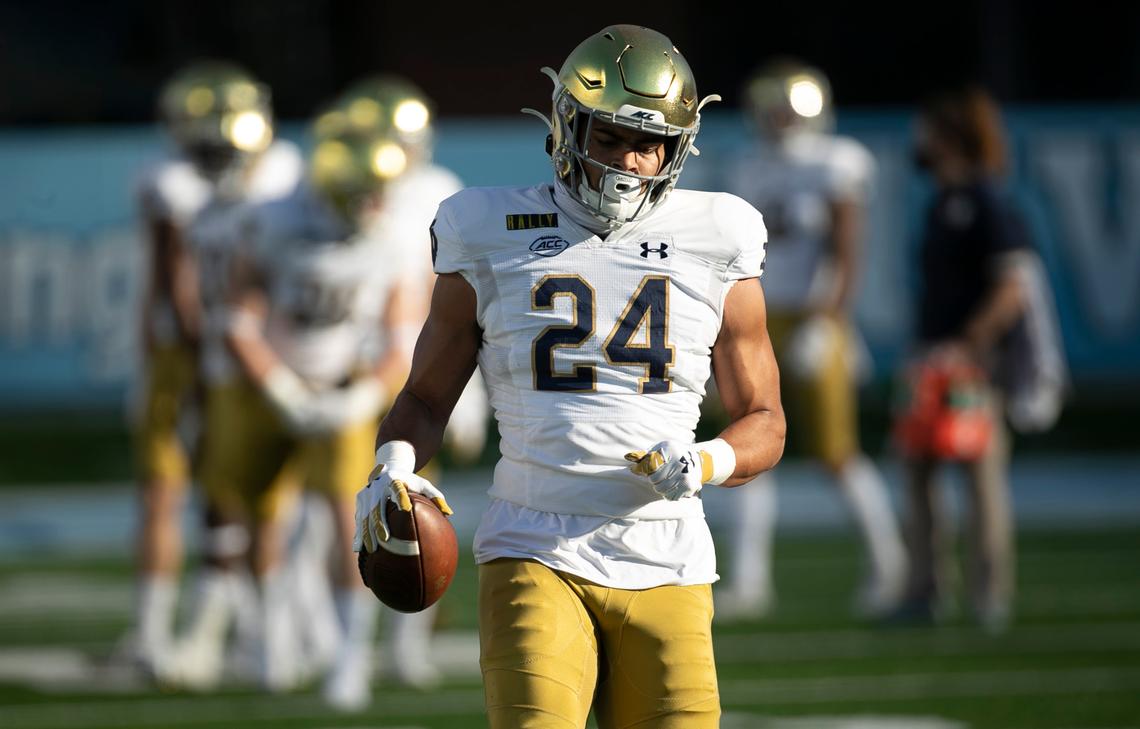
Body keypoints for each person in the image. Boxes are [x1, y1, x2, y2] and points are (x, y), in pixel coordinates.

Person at [354, 24, 785, 728]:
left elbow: (766, 419)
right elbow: (426, 395)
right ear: (565, 126)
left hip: (668, 551)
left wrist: (703, 461)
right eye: (609, 137)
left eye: (647, 143)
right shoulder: (487, 226)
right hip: (534, 543)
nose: (628, 161)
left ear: (677, 148)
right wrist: (393, 462)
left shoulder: (720, 235)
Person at [220, 122, 429, 700]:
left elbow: (401, 336)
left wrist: (360, 398)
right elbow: (237, 318)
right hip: (272, 387)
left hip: (342, 386)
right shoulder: (275, 221)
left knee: (349, 522)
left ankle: (349, 657)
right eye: (366, 191)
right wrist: (280, 388)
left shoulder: (393, 236)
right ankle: (272, 642)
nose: (377, 204)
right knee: (265, 515)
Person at [305, 74, 489, 694]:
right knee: (344, 511)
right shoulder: (336, 186)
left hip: (428, 363)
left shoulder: (440, 192)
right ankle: (337, 645)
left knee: (420, 519)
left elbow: (467, 296)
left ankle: (407, 642)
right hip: (360, 363)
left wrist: (471, 389)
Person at [711, 58, 908, 620]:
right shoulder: (748, 165)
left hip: (817, 318)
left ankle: (887, 563)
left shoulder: (837, 163)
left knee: (836, 452)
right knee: (748, 443)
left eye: (785, 110)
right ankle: (749, 579)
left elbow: (847, 250)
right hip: (761, 319)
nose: (776, 121)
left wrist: (829, 320)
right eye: (768, 111)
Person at [156, 59, 307, 690]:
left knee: (268, 511)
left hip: (259, 373)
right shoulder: (231, 213)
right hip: (232, 371)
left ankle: (280, 637)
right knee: (238, 509)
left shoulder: (264, 211)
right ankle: (260, 635)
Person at [890, 84, 1031, 633]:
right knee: (917, 470)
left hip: (970, 363)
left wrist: (969, 342)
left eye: (928, 131)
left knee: (979, 475)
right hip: (930, 359)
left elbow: (1012, 288)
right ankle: (925, 590)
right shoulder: (940, 200)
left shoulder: (987, 200)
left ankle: (989, 595)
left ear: (949, 137)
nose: (918, 141)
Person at [120, 61, 218, 678]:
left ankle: (170, 633)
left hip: (201, 355)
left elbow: (174, 285)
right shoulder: (179, 180)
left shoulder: (172, 179)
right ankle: (198, 631)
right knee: (228, 497)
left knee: (178, 493)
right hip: (223, 353)